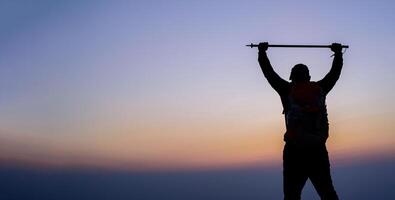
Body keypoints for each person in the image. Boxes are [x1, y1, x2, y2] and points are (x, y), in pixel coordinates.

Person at [257, 42, 343, 200]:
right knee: (328, 193)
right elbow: (334, 74)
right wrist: (338, 54)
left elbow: (269, 73)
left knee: (291, 195)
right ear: (308, 77)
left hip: (294, 151)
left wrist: (262, 52)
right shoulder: (320, 88)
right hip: (317, 150)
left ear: (292, 78)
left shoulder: (286, 90)